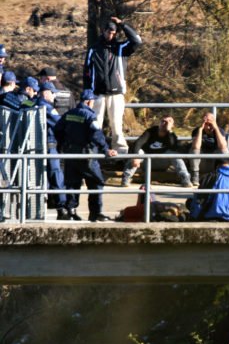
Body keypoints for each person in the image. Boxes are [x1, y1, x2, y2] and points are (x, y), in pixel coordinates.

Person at [55, 89, 117, 222]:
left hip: (70, 155)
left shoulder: (69, 114)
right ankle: (95, 213)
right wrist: (106, 149)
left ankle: (71, 211)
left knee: (72, 183)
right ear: (89, 101)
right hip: (87, 155)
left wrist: (61, 145)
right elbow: (97, 135)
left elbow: (58, 129)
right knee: (96, 182)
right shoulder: (89, 116)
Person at [83, 16, 142, 154]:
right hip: (97, 94)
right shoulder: (93, 50)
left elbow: (137, 41)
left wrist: (123, 24)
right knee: (95, 124)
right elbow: (86, 73)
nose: (111, 35)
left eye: (114, 33)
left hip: (116, 94)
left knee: (116, 126)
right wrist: (87, 94)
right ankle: (94, 151)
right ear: (103, 31)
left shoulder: (121, 48)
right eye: (109, 32)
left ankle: (120, 153)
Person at [121, 116, 192, 187]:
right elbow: (138, 143)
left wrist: (169, 131)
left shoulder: (171, 136)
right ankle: (126, 178)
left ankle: (185, 178)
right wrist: (135, 157)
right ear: (159, 123)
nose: (165, 123)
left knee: (174, 154)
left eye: (168, 122)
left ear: (172, 125)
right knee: (139, 152)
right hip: (146, 162)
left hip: (161, 162)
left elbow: (174, 147)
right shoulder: (150, 131)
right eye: (163, 121)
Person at [36, 81, 67, 220]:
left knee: (40, 177)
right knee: (56, 175)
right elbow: (59, 124)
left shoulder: (32, 103)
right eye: (53, 93)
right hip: (49, 146)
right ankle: (62, 208)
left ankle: (40, 207)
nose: (54, 96)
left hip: (35, 147)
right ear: (46, 93)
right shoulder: (46, 107)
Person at [189, 112, 228, 186]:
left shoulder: (220, 131)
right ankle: (195, 176)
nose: (209, 127)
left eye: (211, 123)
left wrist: (216, 128)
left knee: (225, 149)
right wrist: (200, 129)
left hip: (214, 161)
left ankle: (225, 174)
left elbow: (223, 146)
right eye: (207, 124)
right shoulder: (197, 131)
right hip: (201, 162)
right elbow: (196, 147)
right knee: (194, 150)